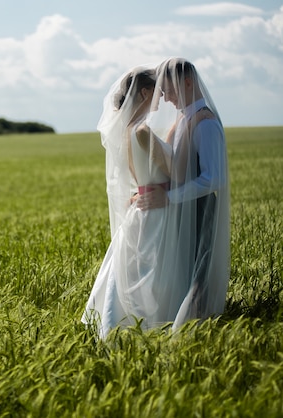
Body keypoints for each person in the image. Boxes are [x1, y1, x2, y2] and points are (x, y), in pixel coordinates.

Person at [82, 66, 187, 339]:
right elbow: (176, 173)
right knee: (154, 275)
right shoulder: (142, 131)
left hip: (143, 203)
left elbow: (139, 174)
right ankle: (153, 323)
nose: (163, 98)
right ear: (144, 92)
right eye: (158, 91)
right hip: (156, 208)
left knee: (135, 270)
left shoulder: (128, 129)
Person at [137, 58, 230, 331]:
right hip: (181, 208)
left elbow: (214, 179)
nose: (166, 100)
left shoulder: (206, 124)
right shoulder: (184, 120)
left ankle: (194, 329)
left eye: (170, 91)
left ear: (188, 83)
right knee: (183, 272)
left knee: (197, 273)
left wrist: (170, 198)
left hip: (199, 209)